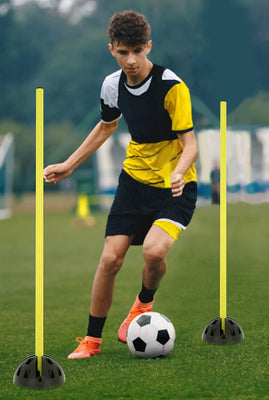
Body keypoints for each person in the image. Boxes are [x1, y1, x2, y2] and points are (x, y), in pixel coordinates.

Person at [43, 10, 198, 358]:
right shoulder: (112, 85)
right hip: (134, 184)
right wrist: (69, 164)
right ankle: (91, 341)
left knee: (154, 251)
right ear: (111, 48)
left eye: (137, 51)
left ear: (149, 47)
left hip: (175, 186)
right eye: (123, 51)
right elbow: (106, 126)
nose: (131, 60)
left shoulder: (172, 86)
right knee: (110, 259)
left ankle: (143, 303)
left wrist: (178, 171)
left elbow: (190, 143)